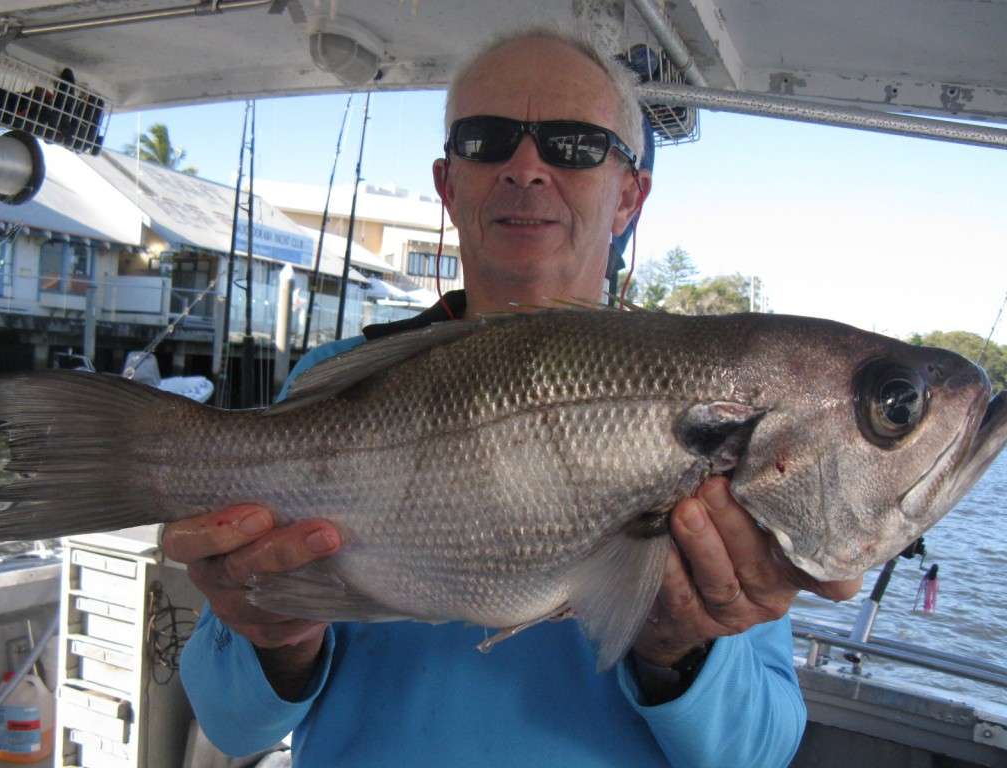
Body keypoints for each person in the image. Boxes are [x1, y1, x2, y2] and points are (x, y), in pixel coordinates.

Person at [167, 28, 862, 767]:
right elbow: (232, 724)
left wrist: (677, 648)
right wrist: (276, 632)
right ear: (448, 183)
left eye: (574, 144)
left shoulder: (722, 405)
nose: (526, 168)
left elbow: (758, 754)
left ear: (630, 195)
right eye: (487, 140)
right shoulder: (339, 380)